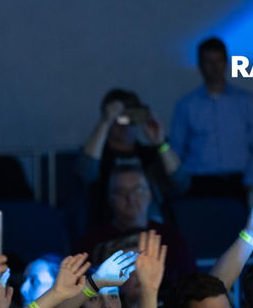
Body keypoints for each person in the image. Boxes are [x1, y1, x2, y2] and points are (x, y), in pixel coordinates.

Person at [167, 37, 253, 199]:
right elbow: (176, 149)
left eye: (218, 61)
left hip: (235, 182)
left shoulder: (244, 101)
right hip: (199, 183)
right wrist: (182, 183)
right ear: (200, 65)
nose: (214, 67)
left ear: (226, 63)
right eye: (209, 62)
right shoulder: (186, 105)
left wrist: (249, 181)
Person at [77, 89, 186, 230]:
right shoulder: (97, 155)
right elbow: (85, 173)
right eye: (120, 117)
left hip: (154, 229)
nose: (125, 124)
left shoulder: (150, 155)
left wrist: (160, 143)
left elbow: (181, 183)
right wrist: (105, 122)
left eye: (131, 116)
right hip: (112, 230)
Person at [75, 168, 196, 285]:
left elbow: (191, 283)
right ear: (110, 198)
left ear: (149, 194)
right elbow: (81, 288)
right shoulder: (91, 241)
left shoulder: (171, 238)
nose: (130, 198)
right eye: (121, 192)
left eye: (138, 190)